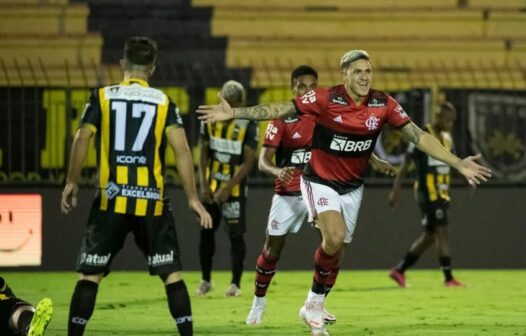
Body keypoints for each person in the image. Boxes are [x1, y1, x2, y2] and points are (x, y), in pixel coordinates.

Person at [197, 49, 491, 336]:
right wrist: (235, 112)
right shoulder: (326, 98)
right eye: (358, 72)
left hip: (352, 187)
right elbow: (279, 109)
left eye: (368, 71)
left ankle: (315, 304)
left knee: (336, 251)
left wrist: (457, 163)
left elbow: (418, 135)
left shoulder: (382, 104)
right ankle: (309, 305)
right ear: (345, 75)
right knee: (332, 237)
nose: (365, 77)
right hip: (318, 181)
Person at [61, 36, 212, 336]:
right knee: (171, 275)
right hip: (151, 202)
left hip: (110, 201)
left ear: (122, 64)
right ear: (152, 69)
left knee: (90, 275)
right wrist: (193, 199)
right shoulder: (164, 102)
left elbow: (82, 138)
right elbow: (182, 150)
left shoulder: (102, 96)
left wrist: (71, 182)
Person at [245, 65, 395, 326]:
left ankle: (317, 303)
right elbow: (262, 161)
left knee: (335, 245)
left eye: (312, 87)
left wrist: (374, 160)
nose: (307, 91)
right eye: (301, 86)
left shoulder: (324, 113)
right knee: (272, 249)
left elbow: (349, 139)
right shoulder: (283, 119)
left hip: (320, 184)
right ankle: (259, 301)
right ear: (293, 89)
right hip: (289, 193)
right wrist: (277, 171)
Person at [388, 102, 465, 287]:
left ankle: (399, 270)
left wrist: (466, 177)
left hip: (443, 192)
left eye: (452, 121)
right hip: (428, 193)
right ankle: (448, 278)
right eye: (446, 119)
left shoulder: (447, 138)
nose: (449, 123)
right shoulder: (422, 134)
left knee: (430, 236)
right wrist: (396, 189)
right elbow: (406, 163)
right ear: (437, 117)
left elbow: (454, 162)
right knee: (442, 231)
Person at [195, 80, 258, 297]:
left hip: (235, 192)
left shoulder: (248, 123)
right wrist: (203, 184)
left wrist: (227, 189)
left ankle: (235, 284)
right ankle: (205, 280)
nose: (227, 107)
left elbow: (248, 162)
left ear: (240, 102)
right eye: (225, 102)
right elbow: (203, 151)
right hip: (210, 190)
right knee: (206, 232)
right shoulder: (209, 119)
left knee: (236, 235)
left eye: (232, 103)